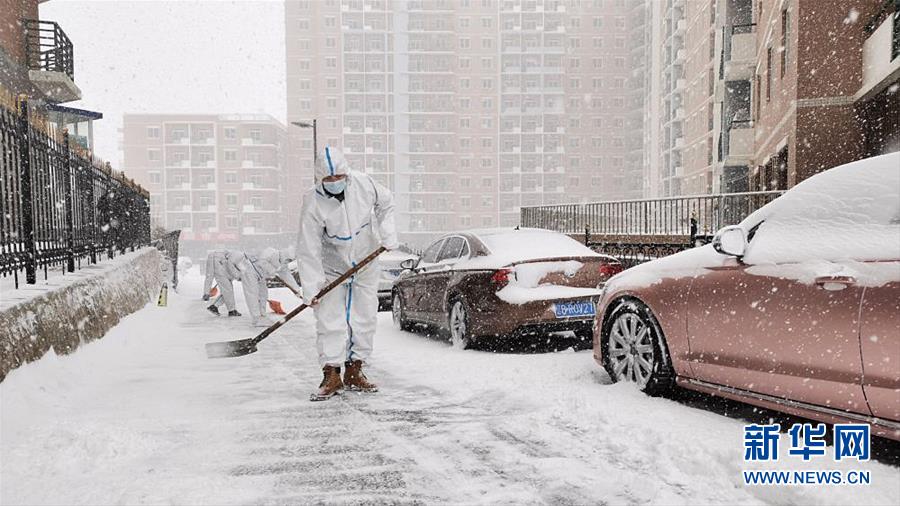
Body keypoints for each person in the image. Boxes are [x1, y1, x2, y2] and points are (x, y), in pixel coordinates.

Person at [297, 146, 398, 401]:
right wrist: (311, 285)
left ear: (347, 174)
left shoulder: (365, 185)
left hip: (365, 261)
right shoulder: (312, 201)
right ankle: (331, 373)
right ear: (320, 178)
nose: (335, 182)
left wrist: (388, 232)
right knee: (330, 321)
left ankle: (355, 370)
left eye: (339, 177)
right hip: (332, 267)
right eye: (329, 179)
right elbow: (307, 246)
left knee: (364, 317)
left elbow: (386, 204)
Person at [239, 247, 302, 327]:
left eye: (290, 261)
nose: (288, 262)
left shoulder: (283, 264)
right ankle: (256, 318)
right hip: (249, 270)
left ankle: (262, 315)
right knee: (252, 294)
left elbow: (287, 276)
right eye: (288, 259)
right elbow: (261, 262)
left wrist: (297, 290)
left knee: (263, 294)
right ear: (285, 255)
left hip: (260, 276)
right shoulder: (270, 252)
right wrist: (272, 270)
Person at [202, 249, 243, 317]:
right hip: (223, 274)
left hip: (224, 273)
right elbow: (232, 267)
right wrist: (238, 277)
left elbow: (209, 276)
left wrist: (206, 292)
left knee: (227, 292)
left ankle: (215, 306)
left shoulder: (217, 257)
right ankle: (231, 311)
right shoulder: (238, 258)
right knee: (228, 291)